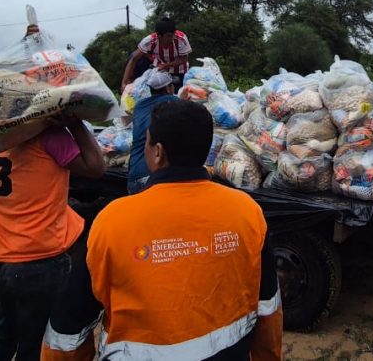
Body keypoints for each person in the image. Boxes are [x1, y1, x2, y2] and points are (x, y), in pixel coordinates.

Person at [41, 100, 282, 360]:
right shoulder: (247, 210)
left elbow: (68, 332)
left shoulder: (113, 221)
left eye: (146, 142)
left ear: (158, 152)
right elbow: (268, 308)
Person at [0, 114, 104, 361]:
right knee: (33, 343)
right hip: (38, 256)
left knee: (1, 330)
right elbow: (96, 167)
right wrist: (74, 123)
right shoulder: (50, 136)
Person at [125, 69, 179, 194]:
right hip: (155, 175)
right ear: (167, 88)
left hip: (134, 174)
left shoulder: (139, 106)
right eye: (171, 85)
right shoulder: (173, 102)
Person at [119, 17, 192, 92]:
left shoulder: (181, 39)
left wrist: (165, 65)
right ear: (159, 35)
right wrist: (124, 83)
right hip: (160, 71)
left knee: (180, 95)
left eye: (173, 35)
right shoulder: (149, 41)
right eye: (169, 36)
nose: (172, 38)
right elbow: (134, 58)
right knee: (133, 55)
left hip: (180, 71)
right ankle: (133, 82)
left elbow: (184, 59)